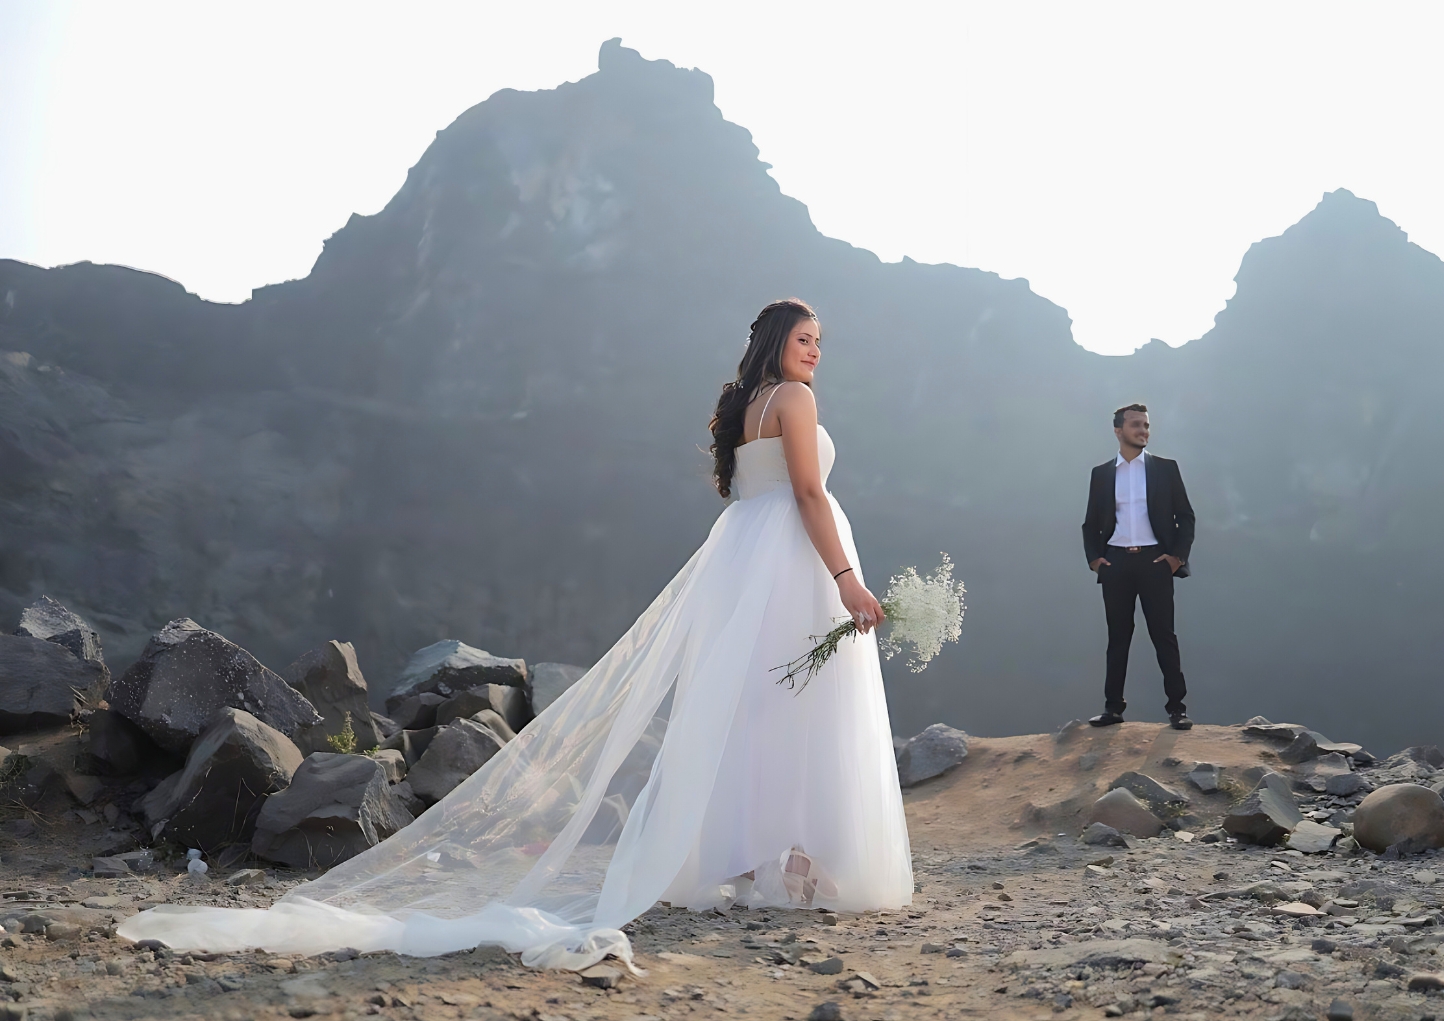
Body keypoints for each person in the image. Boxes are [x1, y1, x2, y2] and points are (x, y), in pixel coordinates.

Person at [119, 299, 913, 971]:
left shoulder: (748, 408)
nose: (817, 354)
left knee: (748, 709)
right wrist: (846, 578)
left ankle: (756, 859)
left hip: (746, 560)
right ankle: (795, 862)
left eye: (819, 344)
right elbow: (808, 490)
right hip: (791, 561)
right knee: (798, 706)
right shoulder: (796, 403)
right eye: (807, 339)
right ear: (777, 343)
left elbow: (759, 491)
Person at [1080, 404, 1196, 730]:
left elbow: (1185, 516)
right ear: (1118, 431)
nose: (1143, 430)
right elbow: (1090, 523)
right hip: (1115, 562)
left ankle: (1178, 709)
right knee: (1118, 637)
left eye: (1146, 425)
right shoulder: (1102, 474)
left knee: (1164, 636)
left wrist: (1177, 558)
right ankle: (1113, 708)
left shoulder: (1165, 469)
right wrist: (1095, 561)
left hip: (1155, 562)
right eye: (1136, 425)